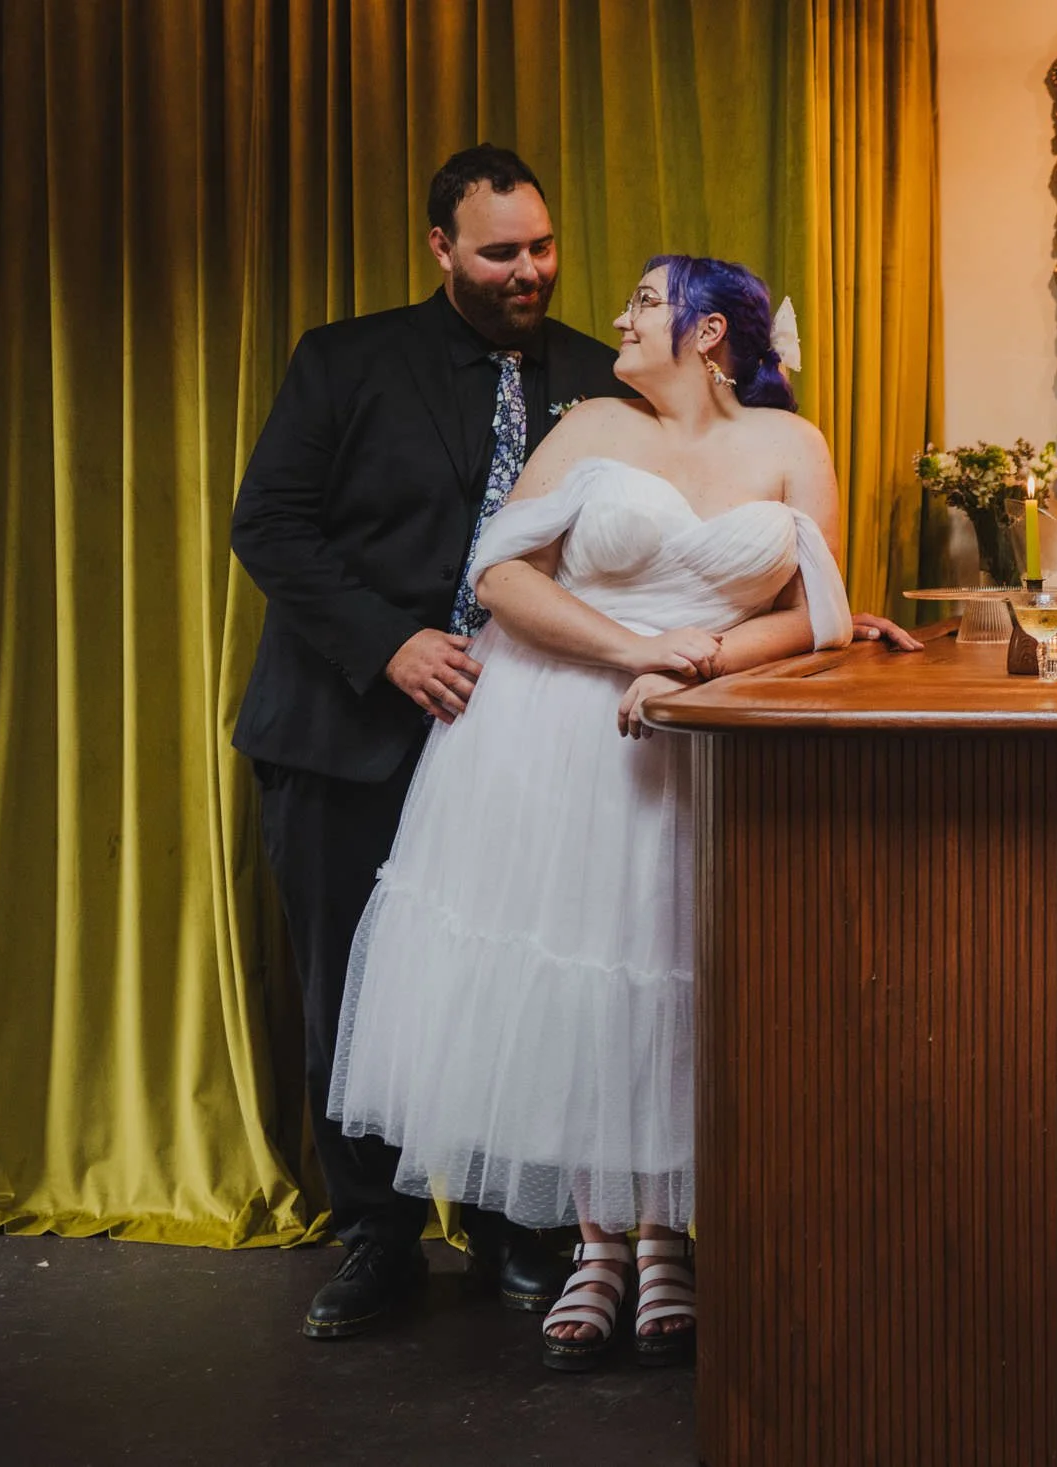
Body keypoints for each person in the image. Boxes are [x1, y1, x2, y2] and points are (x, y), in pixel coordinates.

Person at [327, 254, 860, 1372]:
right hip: (557, 728)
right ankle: (595, 1243)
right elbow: (499, 577)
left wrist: (697, 660)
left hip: (700, 740)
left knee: (671, 975)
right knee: (574, 973)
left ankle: (668, 1236)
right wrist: (634, 649)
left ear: (710, 334)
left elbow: (823, 614)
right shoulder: (586, 430)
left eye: (648, 303)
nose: (621, 318)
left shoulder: (789, 446)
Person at [232, 144, 632, 1339]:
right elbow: (271, 524)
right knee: (349, 988)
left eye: (543, 246)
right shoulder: (344, 359)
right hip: (347, 730)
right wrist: (390, 642)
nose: (529, 270)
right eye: (501, 250)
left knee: (514, 979)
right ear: (441, 249)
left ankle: (519, 1233)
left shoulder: (601, 380)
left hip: (525, 748)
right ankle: (376, 1243)